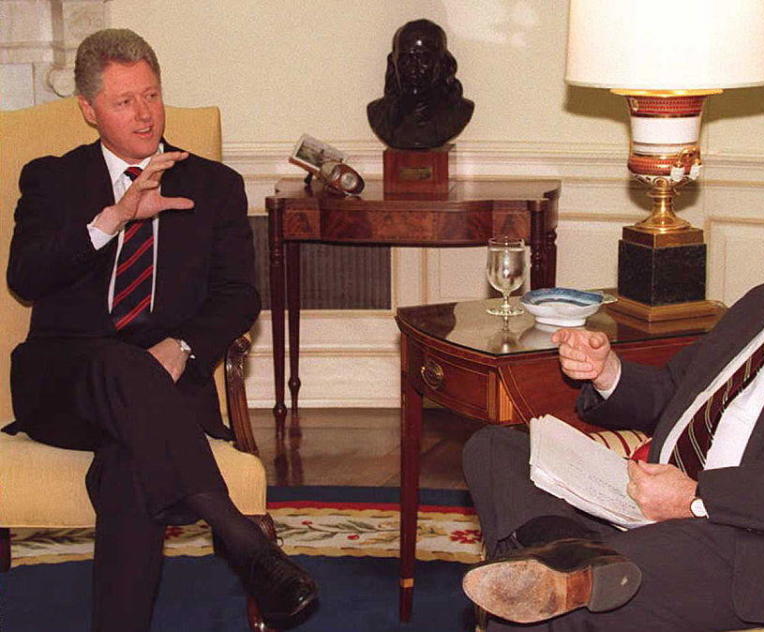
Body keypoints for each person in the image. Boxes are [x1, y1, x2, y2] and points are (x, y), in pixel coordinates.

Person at [461, 133, 764, 632]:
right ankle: (578, 557)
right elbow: (677, 392)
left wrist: (699, 499)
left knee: (547, 610)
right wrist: (607, 371)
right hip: (660, 511)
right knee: (496, 448)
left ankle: (571, 573)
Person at [3, 29, 317, 631]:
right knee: (116, 362)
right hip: (63, 383)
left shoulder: (213, 185)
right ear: (89, 110)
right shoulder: (51, 179)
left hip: (166, 388)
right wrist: (113, 219)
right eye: (124, 102)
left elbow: (238, 294)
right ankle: (240, 537)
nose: (144, 114)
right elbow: (27, 276)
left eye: (151, 95)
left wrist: (183, 346)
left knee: (129, 461)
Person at [367, 18, 474, 149]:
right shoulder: (379, 115)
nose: (413, 69)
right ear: (393, 63)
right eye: (405, 59)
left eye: (424, 59)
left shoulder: (459, 111)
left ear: (443, 63)